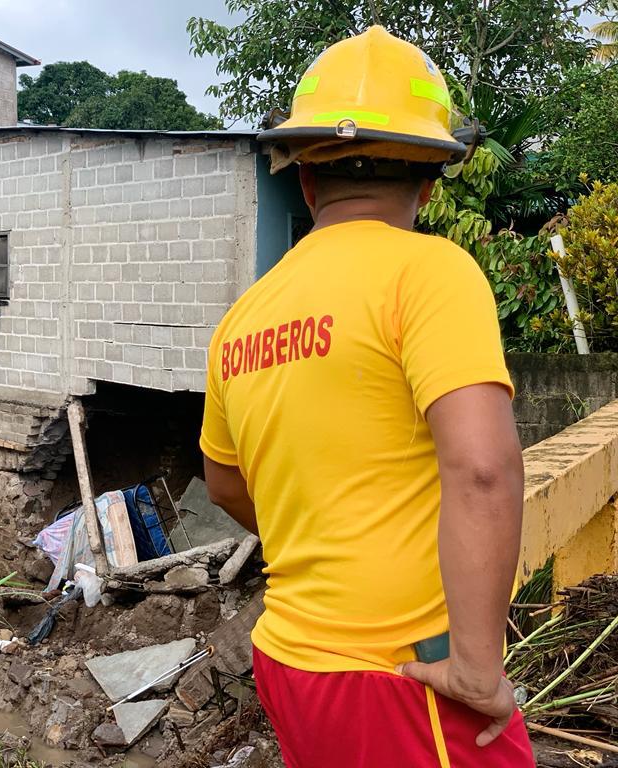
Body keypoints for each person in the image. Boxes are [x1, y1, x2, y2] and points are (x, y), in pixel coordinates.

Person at [199, 26, 535, 768]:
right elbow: (482, 468)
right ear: (427, 179)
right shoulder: (430, 272)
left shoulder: (243, 319)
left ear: (308, 181)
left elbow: (225, 483)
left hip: (288, 661)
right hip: (402, 673)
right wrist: (478, 668)